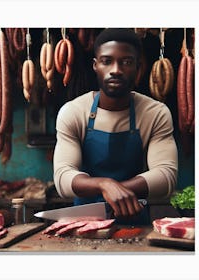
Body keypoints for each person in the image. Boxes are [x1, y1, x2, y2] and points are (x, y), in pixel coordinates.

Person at [53, 28, 178, 225]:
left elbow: (166, 176)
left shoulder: (156, 113)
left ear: (139, 66)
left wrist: (119, 190)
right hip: (85, 223)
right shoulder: (73, 112)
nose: (116, 69)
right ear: (95, 65)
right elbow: (63, 177)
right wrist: (105, 185)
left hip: (134, 220)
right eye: (107, 61)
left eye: (126, 62)